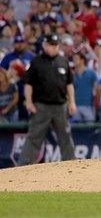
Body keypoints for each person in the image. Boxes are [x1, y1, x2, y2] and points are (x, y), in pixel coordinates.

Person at [17, 35, 76, 165]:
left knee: (65, 135)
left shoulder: (63, 61)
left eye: (55, 44)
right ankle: (24, 166)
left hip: (60, 106)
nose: (53, 47)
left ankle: (71, 164)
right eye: (50, 44)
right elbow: (28, 84)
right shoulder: (36, 61)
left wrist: (72, 102)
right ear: (44, 45)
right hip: (41, 106)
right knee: (34, 136)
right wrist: (29, 102)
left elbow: (69, 84)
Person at [70, 53, 96, 122]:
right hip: (75, 106)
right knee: (76, 130)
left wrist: (95, 103)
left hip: (88, 105)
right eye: (73, 59)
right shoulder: (71, 74)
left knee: (90, 129)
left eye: (76, 59)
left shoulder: (91, 73)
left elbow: (96, 89)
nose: (74, 61)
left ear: (82, 60)